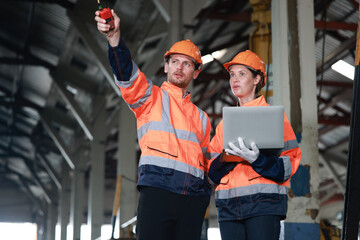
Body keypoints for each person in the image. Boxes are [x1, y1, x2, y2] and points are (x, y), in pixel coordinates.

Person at [95, 9, 212, 240]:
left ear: (196, 72)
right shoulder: (150, 97)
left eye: (187, 64)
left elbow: (210, 164)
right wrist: (114, 39)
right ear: (166, 66)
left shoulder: (202, 118)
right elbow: (127, 74)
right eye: (175, 61)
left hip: (193, 200)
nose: (179, 67)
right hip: (158, 193)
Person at [207, 50, 302, 240]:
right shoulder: (223, 126)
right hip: (229, 208)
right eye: (232, 74)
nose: (235, 79)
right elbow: (211, 174)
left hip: (263, 205)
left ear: (257, 79)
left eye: (242, 74)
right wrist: (226, 159)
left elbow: (288, 166)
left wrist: (258, 160)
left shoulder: (275, 119)